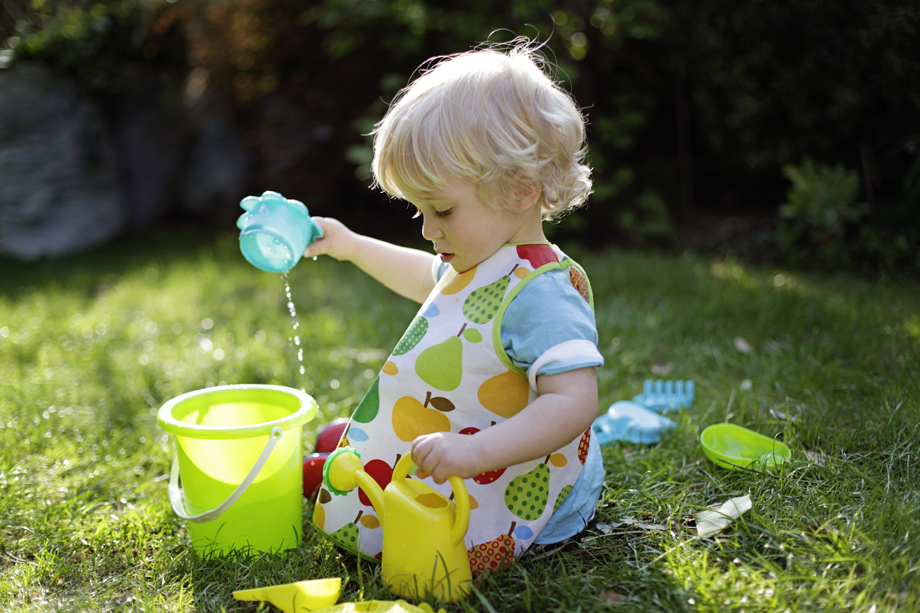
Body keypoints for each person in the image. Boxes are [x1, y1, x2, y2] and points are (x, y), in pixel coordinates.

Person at [305, 38, 605, 575]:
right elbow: (427, 277)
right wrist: (350, 245)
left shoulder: (540, 294)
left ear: (519, 189)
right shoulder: (480, 260)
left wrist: (477, 453)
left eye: (441, 209)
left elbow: (574, 403)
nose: (426, 229)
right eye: (420, 210)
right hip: (475, 449)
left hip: (531, 490)